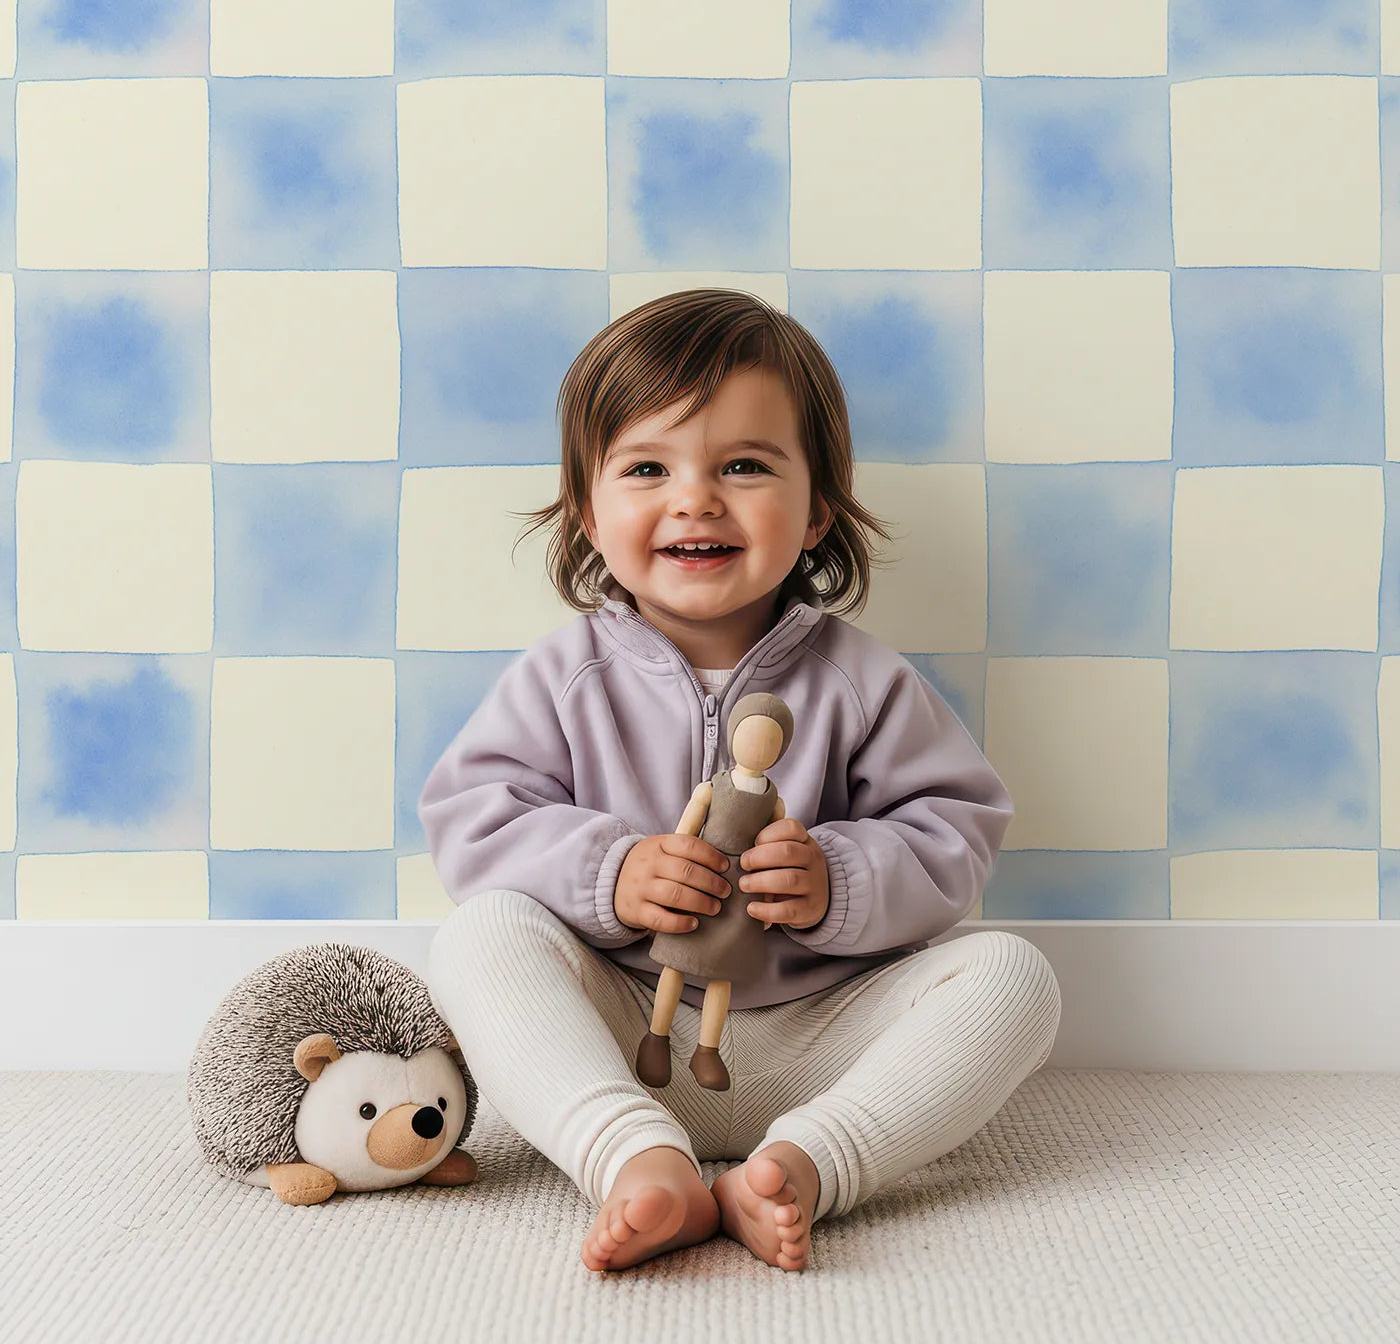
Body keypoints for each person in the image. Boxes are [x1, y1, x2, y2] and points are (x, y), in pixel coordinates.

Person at [420, 288, 1061, 1274]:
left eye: (745, 466)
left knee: (1012, 976)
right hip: (632, 1025)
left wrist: (837, 877)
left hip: (822, 1034)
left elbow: (955, 827)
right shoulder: (562, 675)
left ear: (815, 514)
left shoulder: (863, 679)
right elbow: (472, 819)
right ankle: (634, 1160)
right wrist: (611, 868)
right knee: (479, 936)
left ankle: (806, 1163)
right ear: (589, 512)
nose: (695, 499)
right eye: (646, 468)